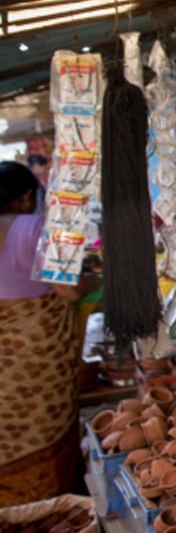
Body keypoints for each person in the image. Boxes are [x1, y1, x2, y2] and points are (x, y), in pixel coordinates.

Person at [0, 161, 89, 506]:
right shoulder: (33, 227)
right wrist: (93, 281)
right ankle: (48, 515)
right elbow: (69, 289)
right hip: (31, 368)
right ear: (25, 198)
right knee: (42, 435)